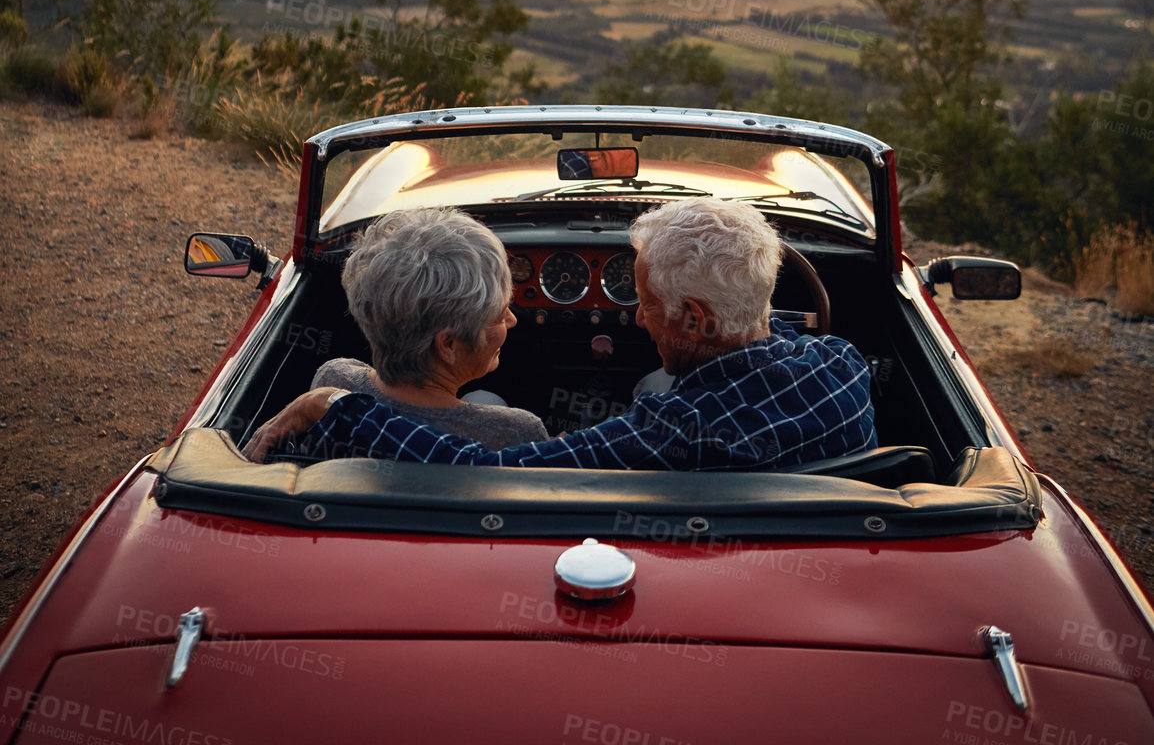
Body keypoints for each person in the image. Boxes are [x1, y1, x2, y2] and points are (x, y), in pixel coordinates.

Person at [246, 198, 875, 470]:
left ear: (696, 320)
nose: (634, 317)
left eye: (648, 303)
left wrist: (338, 401)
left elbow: (481, 467)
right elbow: (763, 335)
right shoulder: (844, 365)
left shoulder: (661, 432)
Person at [245, 206, 545, 459]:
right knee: (486, 398)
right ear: (448, 344)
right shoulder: (514, 433)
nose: (511, 321)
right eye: (499, 313)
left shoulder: (335, 381)